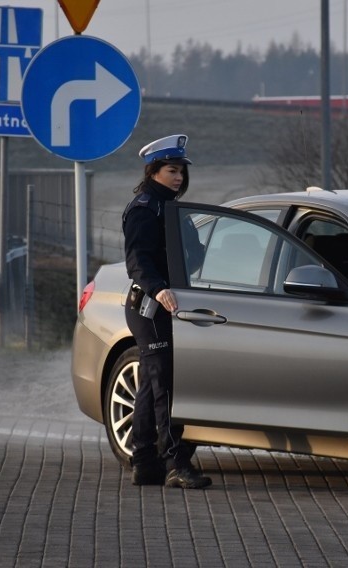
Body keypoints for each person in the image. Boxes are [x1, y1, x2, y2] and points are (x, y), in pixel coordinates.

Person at [122, 134, 211, 489]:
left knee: (151, 384)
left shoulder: (173, 209)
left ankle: (144, 462)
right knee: (165, 386)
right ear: (153, 171)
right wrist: (159, 288)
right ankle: (176, 462)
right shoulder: (144, 208)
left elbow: (193, 256)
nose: (178, 178)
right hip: (149, 307)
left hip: (166, 305)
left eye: (181, 172)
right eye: (172, 170)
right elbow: (137, 262)